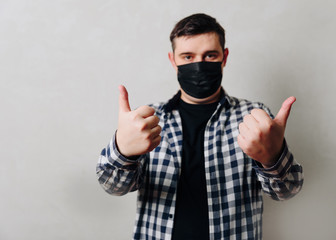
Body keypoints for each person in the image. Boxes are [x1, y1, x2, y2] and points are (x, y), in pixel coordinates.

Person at [96, 13, 303, 240]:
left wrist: (272, 159)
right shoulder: (149, 120)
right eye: (187, 56)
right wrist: (122, 151)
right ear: (172, 60)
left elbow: (288, 189)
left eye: (210, 55)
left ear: (224, 57)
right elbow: (113, 187)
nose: (198, 65)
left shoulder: (254, 117)